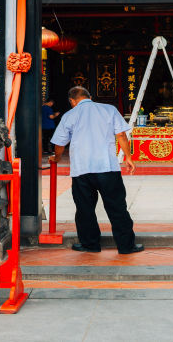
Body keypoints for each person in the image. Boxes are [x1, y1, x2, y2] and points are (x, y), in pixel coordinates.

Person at [49, 86, 143, 254]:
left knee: (85, 209)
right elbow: (121, 135)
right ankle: (126, 246)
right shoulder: (109, 109)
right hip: (107, 168)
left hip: (82, 170)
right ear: (90, 97)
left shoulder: (69, 115)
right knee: (117, 208)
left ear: (72, 101)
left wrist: (56, 159)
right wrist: (128, 157)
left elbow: (59, 144)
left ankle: (90, 244)